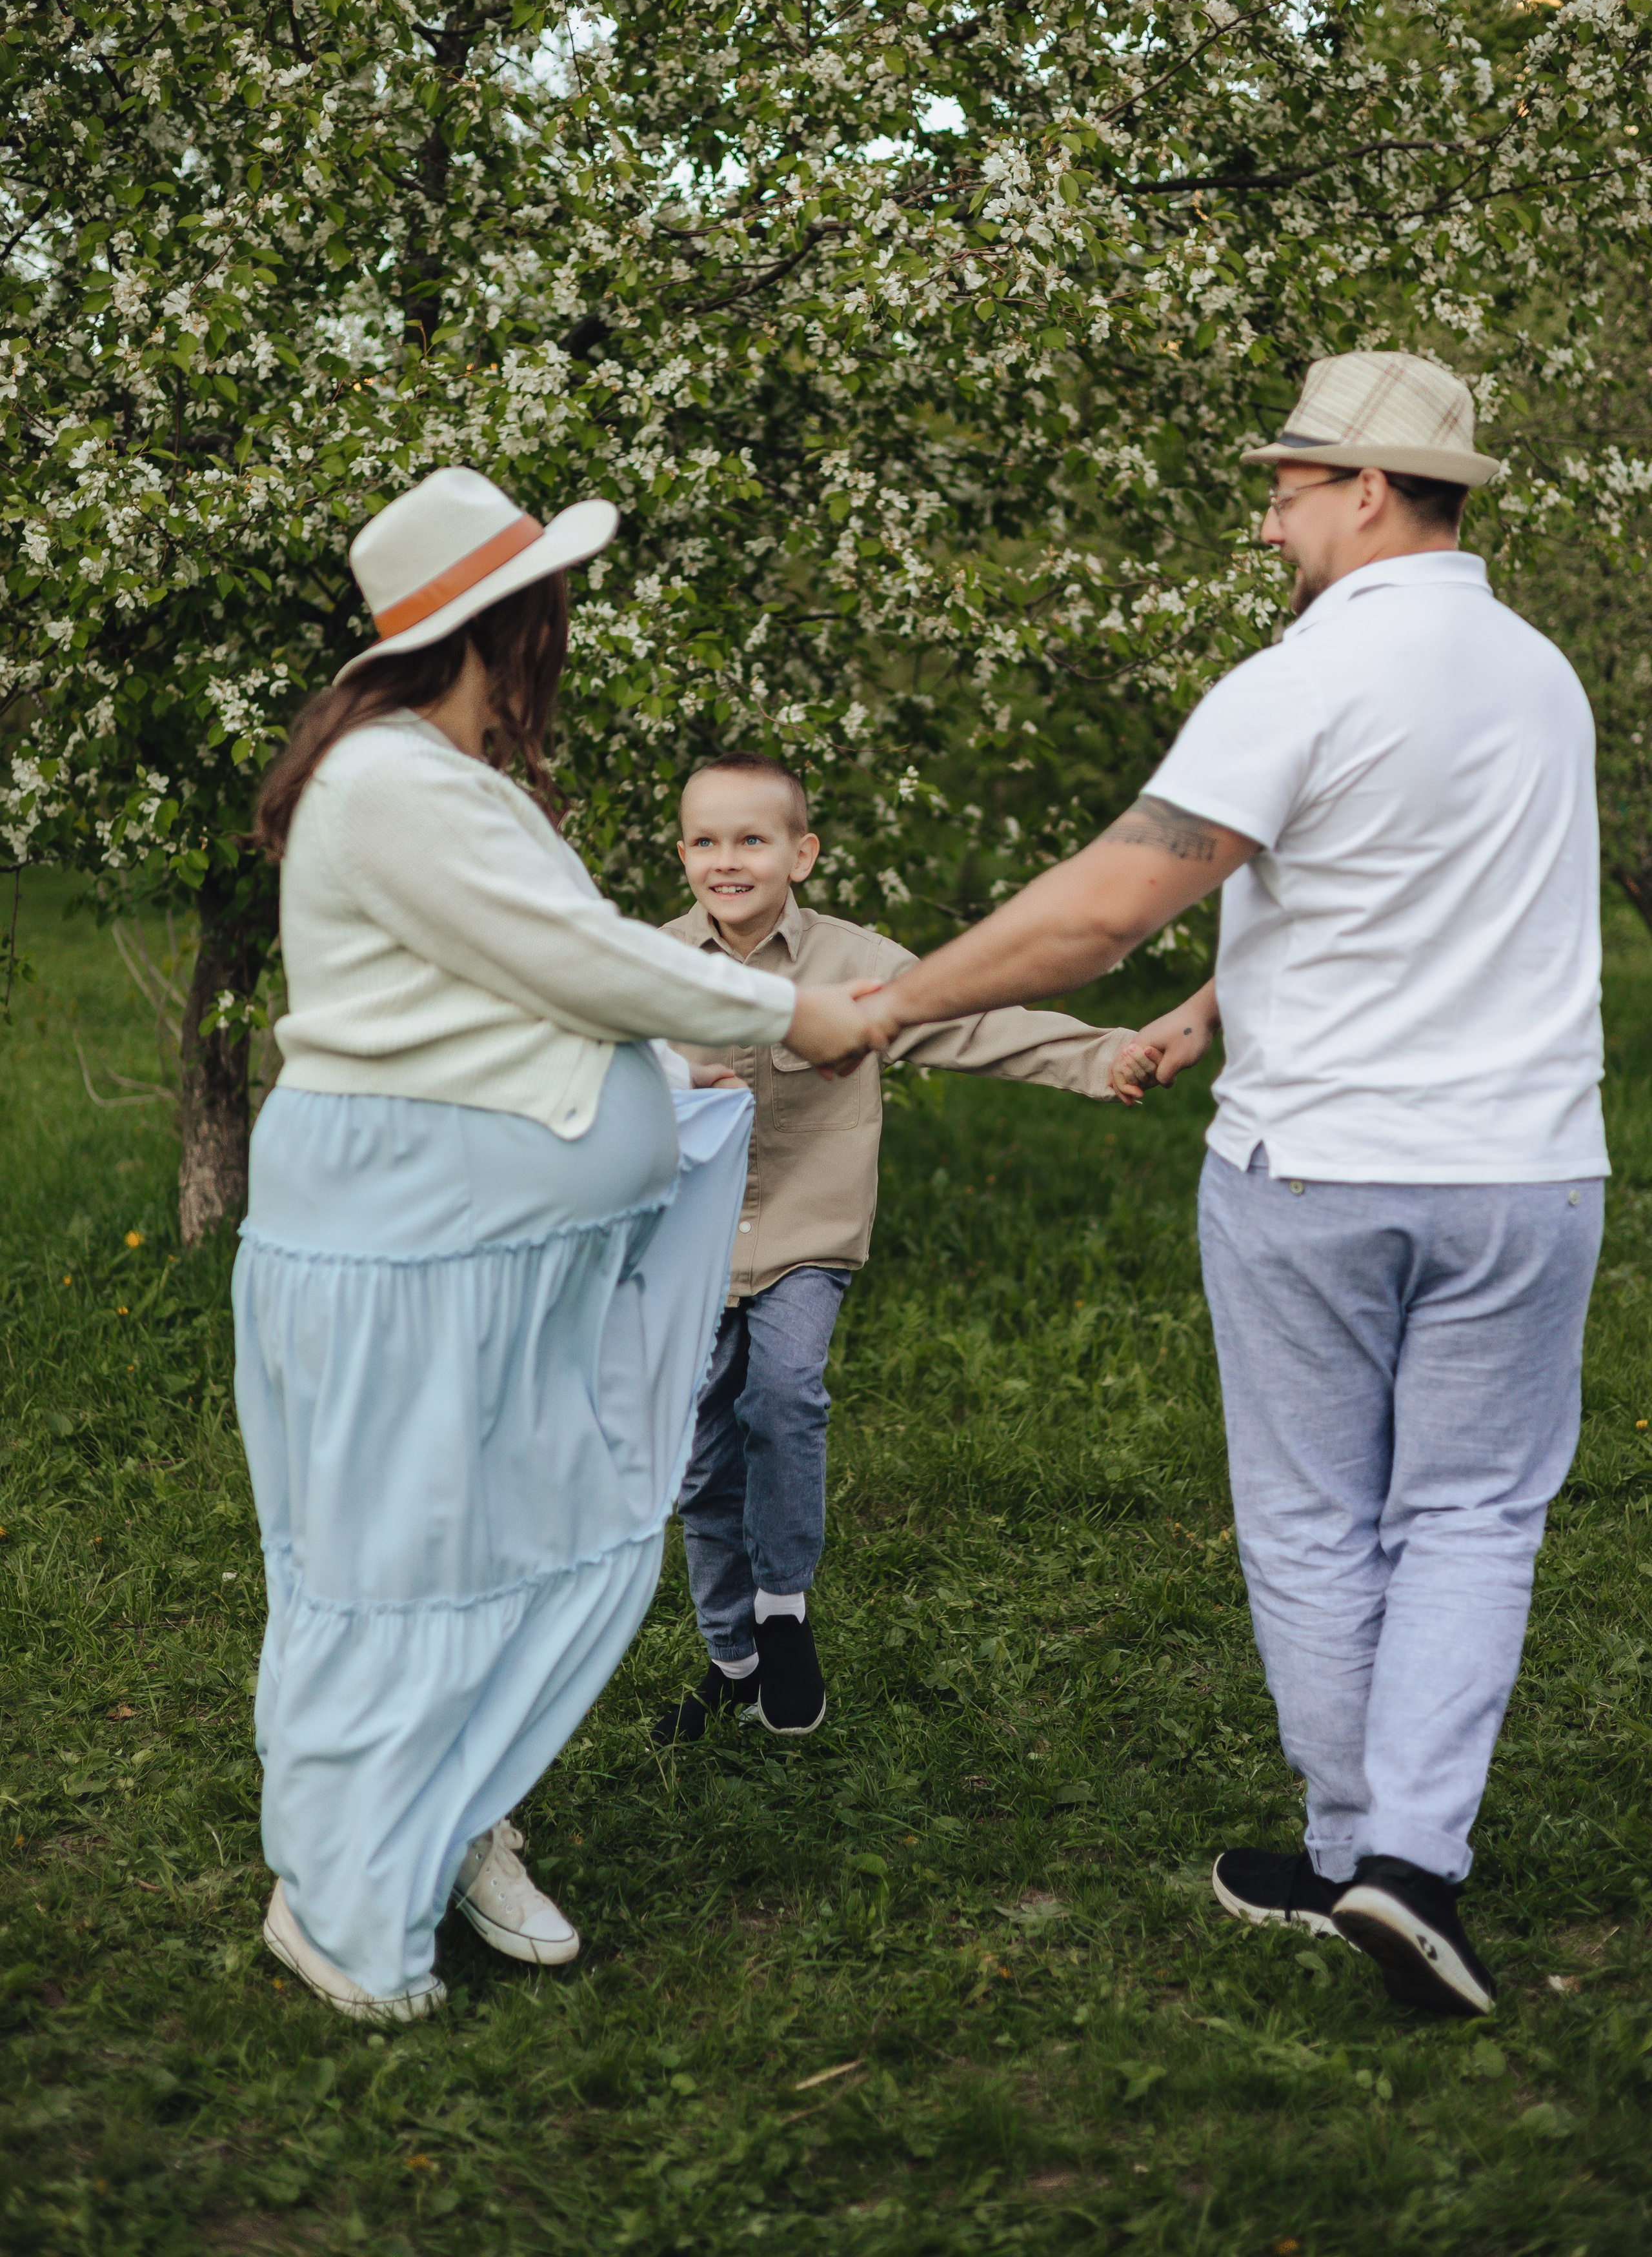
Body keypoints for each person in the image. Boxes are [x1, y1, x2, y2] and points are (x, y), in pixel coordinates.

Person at [854, 352, 1606, 2016]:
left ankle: (1354, 1859)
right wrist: (1222, 996)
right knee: (1475, 1518)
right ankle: (1413, 1866)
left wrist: (893, 1003)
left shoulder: (1303, 674)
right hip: (1527, 1175)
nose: (1263, 517)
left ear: (1364, 489)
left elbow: (1105, 906)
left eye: (1282, 486)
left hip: (1321, 1176)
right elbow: (1417, 895)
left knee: (1315, 1517)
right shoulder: (1536, 673)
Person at [235, 467, 877, 2021]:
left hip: (487, 1249)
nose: (564, 636)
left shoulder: (449, 782)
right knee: (395, 1555)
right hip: (405, 1243)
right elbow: (576, 958)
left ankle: (450, 1819)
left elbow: (506, 1000)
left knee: (482, 1539)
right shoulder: (392, 783)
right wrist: (790, 1008)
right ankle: (333, 1895)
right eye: (553, 610)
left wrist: (661, 1081)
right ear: (506, 623)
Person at [649, 753, 1138, 1742]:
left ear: (803, 853)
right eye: (706, 840)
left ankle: (783, 1615)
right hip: (684, 1249)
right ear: (682, 854)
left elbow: (979, 1026)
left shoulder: (856, 963)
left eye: (753, 839)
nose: (727, 860)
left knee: (784, 1395)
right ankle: (731, 1658)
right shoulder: (646, 964)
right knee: (699, 1458)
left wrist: (1102, 1057)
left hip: (804, 1234)